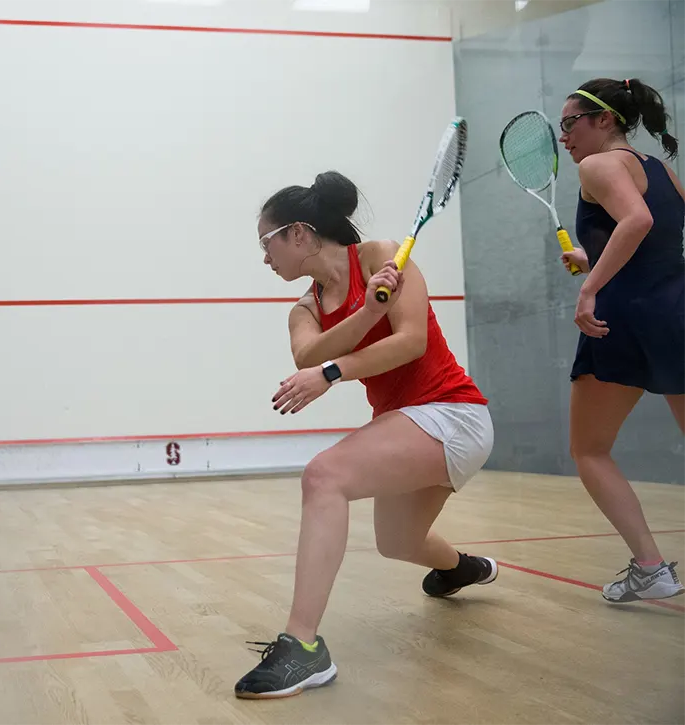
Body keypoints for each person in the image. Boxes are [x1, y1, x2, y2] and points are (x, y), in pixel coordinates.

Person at [234, 171, 497, 700]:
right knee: (396, 542)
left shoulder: (384, 254)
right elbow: (311, 354)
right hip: (407, 425)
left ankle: (303, 648)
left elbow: (412, 342)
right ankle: (465, 569)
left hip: (451, 413)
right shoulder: (304, 307)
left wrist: (335, 371)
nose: (264, 257)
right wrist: (369, 311)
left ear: (301, 235)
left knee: (324, 476)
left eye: (268, 242)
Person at [556, 77, 685, 603]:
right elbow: (656, 235)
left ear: (604, 120)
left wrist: (589, 289)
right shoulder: (659, 167)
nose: (564, 137)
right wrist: (595, 258)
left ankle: (650, 568)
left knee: (590, 450)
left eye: (570, 124)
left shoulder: (598, 165)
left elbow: (637, 219)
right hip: (676, 310)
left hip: (625, 321)